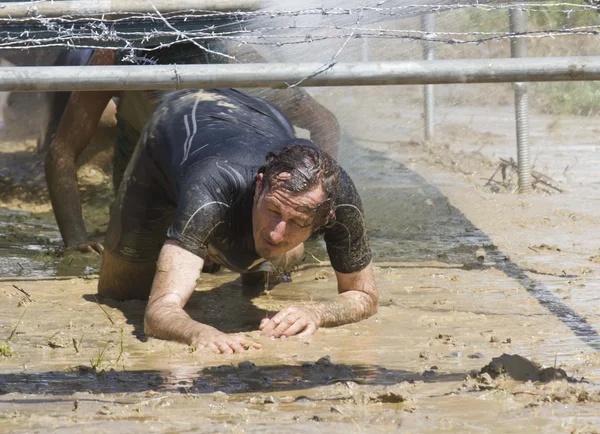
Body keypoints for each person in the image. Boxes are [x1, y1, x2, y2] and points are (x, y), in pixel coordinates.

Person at [97, 88, 377, 354]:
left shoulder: (339, 199)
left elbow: (364, 296)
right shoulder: (212, 191)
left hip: (262, 115)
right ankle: (198, 243)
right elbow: (158, 311)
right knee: (123, 293)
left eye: (298, 221)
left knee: (266, 251)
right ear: (259, 185)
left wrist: (316, 312)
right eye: (274, 210)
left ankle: (227, 245)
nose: (279, 232)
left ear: (324, 218)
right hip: (175, 122)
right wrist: (198, 333)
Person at [45, 44, 340, 255]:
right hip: (147, 166)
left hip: (224, 175)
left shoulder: (230, 55)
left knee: (270, 255)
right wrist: (75, 239)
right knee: (136, 249)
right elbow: (63, 151)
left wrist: (315, 211)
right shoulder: (120, 52)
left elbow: (325, 122)